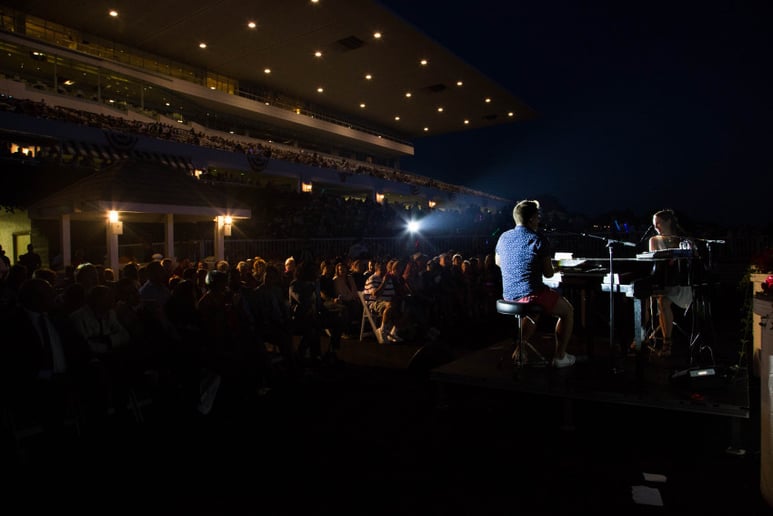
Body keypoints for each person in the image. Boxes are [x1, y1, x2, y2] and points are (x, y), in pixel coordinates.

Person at [495, 200, 575, 368]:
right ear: (531, 219)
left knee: (533, 313)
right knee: (567, 311)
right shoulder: (538, 239)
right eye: (537, 216)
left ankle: (521, 350)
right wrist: (552, 265)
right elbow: (548, 273)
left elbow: (498, 262)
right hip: (530, 294)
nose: (539, 219)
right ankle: (560, 357)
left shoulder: (504, 237)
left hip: (508, 295)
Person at [647, 208, 694, 358]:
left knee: (663, 301)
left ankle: (667, 343)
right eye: (655, 225)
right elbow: (655, 264)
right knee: (648, 297)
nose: (657, 228)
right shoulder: (654, 240)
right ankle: (643, 335)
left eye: (659, 224)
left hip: (682, 283)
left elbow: (692, 262)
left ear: (668, 222)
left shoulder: (683, 239)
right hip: (665, 281)